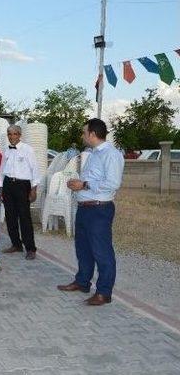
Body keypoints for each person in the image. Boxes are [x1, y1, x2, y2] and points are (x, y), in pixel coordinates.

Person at [58, 118, 124, 306]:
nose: (82, 135)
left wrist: (84, 184)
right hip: (86, 208)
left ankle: (104, 292)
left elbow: (113, 184)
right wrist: (78, 185)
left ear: (92, 134)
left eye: (84, 132)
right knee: (83, 249)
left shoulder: (111, 154)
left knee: (102, 252)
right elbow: (93, 180)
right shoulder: (92, 153)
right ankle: (82, 282)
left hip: (99, 209)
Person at [0, 125, 40, 260]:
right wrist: (0, 187)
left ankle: (30, 248)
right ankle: (16, 244)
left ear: (20, 135)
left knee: (24, 217)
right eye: (9, 134)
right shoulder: (6, 150)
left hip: (23, 185)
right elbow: (2, 169)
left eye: (15, 134)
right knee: (10, 216)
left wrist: (34, 189)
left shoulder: (28, 149)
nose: (12, 136)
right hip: (8, 184)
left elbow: (35, 169)